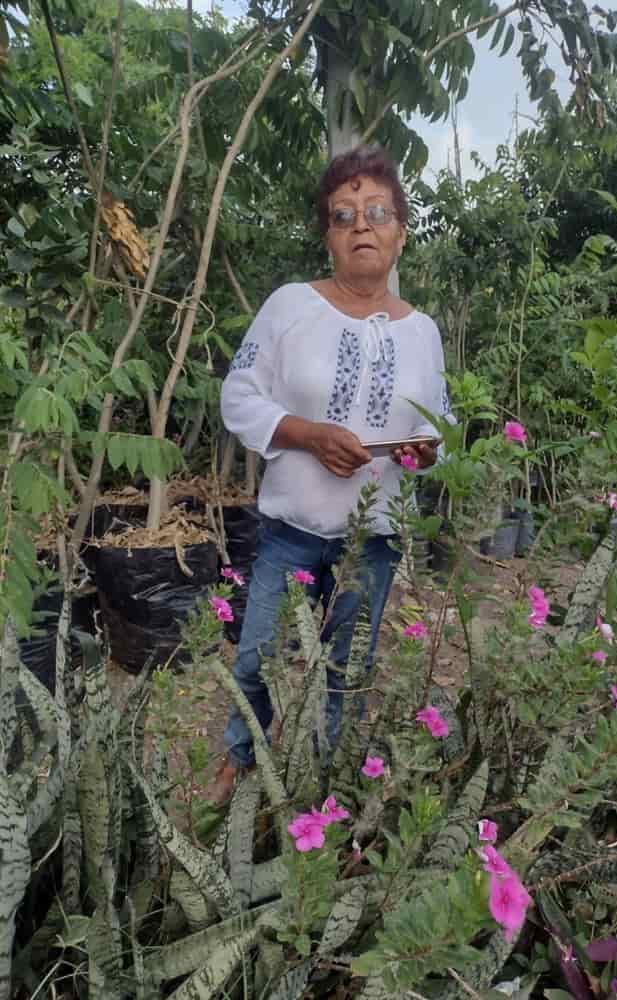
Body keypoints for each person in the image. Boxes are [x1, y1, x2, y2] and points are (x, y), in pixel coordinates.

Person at [214, 144, 451, 804]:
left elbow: (443, 423)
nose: (361, 226)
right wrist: (306, 435)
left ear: (401, 231)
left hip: (371, 540)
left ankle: (325, 780)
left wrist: (429, 450)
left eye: (377, 211)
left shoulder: (423, 332)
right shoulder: (292, 305)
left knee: (348, 668)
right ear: (328, 236)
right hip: (291, 530)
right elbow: (239, 394)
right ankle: (238, 765)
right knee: (257, 658)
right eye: (343, 215)